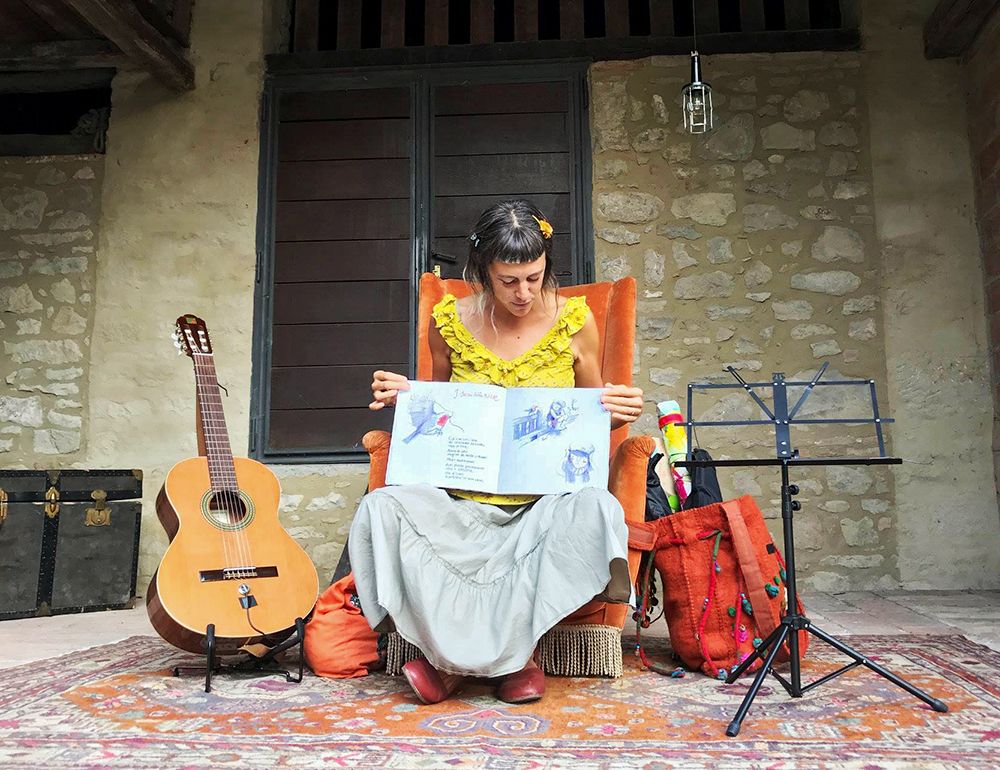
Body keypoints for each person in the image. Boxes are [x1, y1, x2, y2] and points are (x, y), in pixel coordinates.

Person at [349, 199, 644, 705]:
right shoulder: (448, 322)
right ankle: (507, 663)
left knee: (598, 509)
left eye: (534, 276)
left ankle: (455, 667)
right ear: (481, 272)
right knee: (382, 509)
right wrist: (406, 396)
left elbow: (592, 417)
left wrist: (620, 408)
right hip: (462, 507)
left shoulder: (575, 324)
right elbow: (437, 414)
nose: (524, 292)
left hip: (542, 508)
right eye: (509, 281)